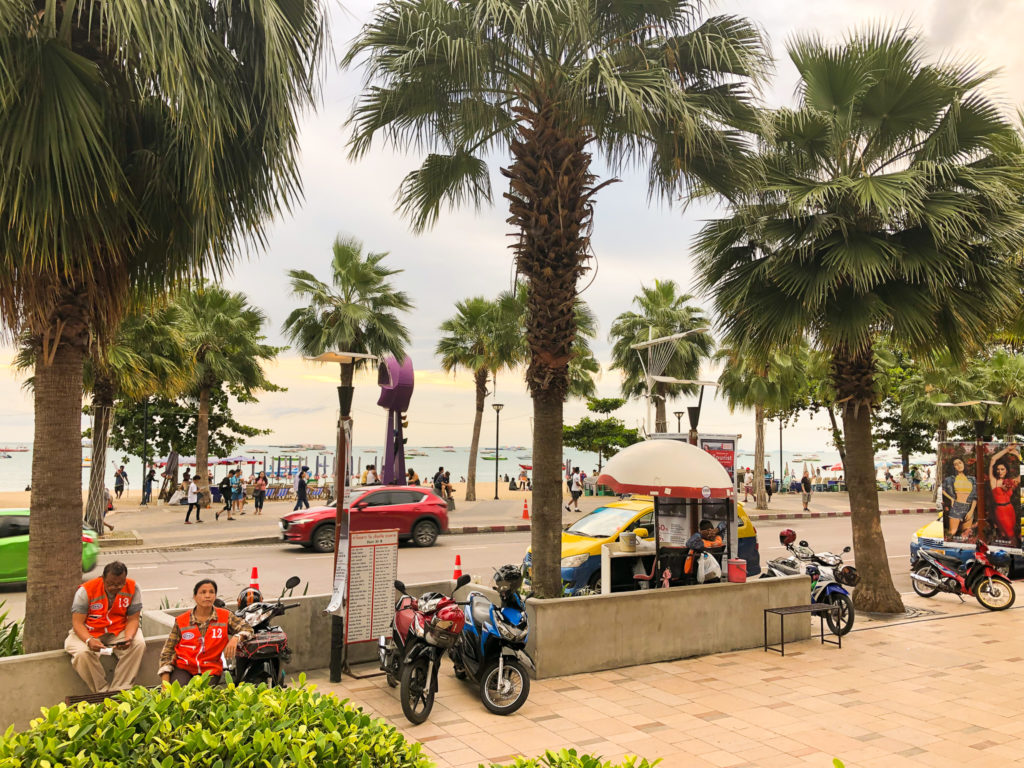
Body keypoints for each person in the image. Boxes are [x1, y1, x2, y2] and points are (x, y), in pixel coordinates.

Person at [65, 561, 146, 693]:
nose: (116, 587)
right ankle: (102, 692)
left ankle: (120, 690)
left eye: (120, 583)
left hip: (117, 629)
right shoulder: (85, 591)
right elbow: (77, 623)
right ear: (102, 579)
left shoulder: (133, 587)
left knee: (138, 643)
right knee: (82, 653)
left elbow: (133, 619)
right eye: (111, 584)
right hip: (88, 631)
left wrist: (129, 638)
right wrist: (89, 640)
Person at [158, 579, 252, 686]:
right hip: (184, 668)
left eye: (211, 592)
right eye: (203, 592)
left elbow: (247, 628)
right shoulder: (181, 620)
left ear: (215, 596)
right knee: (179, 695)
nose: (207, 596)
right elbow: (167, 652)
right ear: (195, 597)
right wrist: (165, 684)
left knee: (203, 697)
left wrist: (236, 638)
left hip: (210, 670)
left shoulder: (225, 616)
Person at [989, 444, 1021, 542]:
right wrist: (1007, 449)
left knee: (1009, 533)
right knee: (1010, 535)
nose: (999, 471)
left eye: (1002, 469)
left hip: (1010, 509)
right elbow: (993, 459)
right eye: (998, 469)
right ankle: (1015, 552)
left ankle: (1012, 554)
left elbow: (1022, 474)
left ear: (1006, 470)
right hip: (1000, 510)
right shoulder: (994, 481)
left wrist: (1019, 455)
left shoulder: (1011, 481)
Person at [942, 457, 976, 539]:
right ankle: (946, 550)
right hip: (957, 507)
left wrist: (971, 511)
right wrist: (951, 499)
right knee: (952, 532)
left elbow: (975, 496)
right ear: (953, 467)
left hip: (969, 507)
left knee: (966, 534)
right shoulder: (950, 479)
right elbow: (943, 489)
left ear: (963, 463)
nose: (959, 465)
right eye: (955, 464)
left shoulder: (972, 479)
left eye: (960, 463)